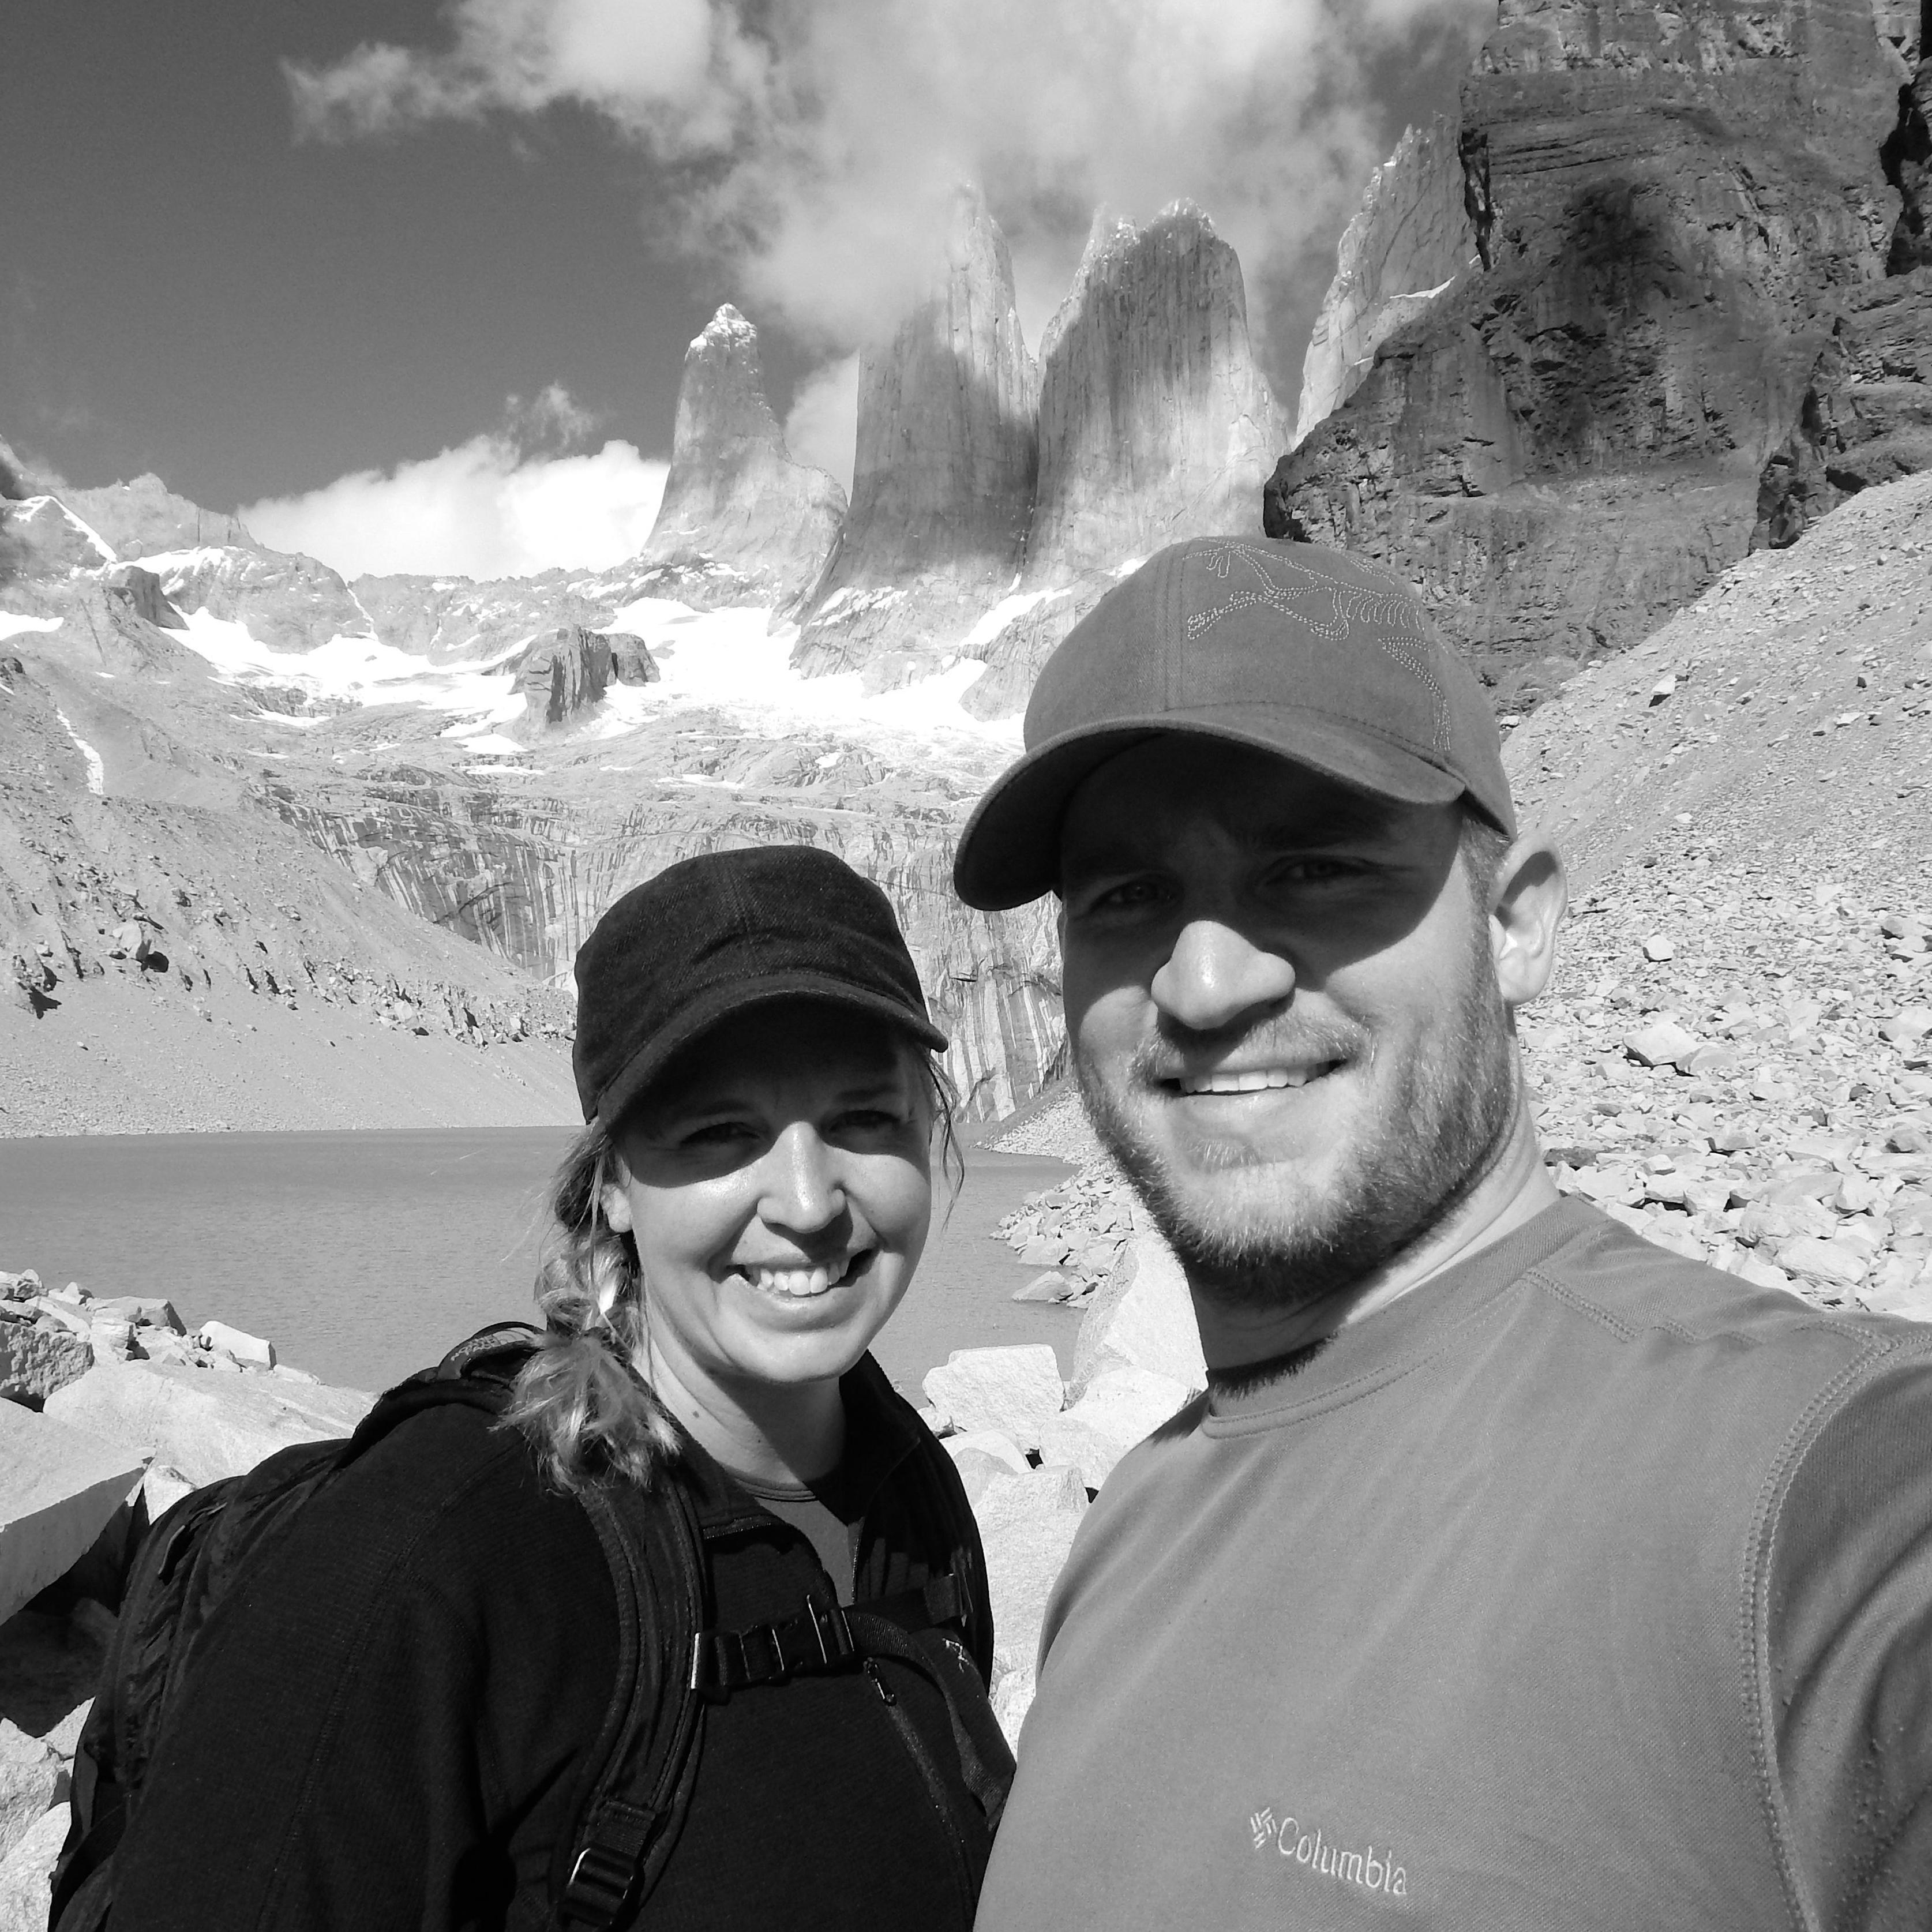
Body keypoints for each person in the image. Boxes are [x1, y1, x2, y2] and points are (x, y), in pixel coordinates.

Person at [954, 535, 1932, 1930]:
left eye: (1310, 867)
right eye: (1125, 897)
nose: (1205, 982)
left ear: (1517, 923)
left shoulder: (1829, 1491)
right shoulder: (1128, 1530)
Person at [107, 843, 1007, 1931]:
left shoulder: (912, 1491)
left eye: (866, 1117)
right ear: (613, 1183)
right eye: (722, 1133)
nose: (809, 1203)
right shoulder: (438, 1544)